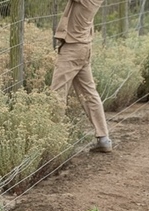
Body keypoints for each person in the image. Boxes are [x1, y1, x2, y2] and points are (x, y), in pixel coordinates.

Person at [51, 0, 112, 152]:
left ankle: (52, 142)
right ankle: (103, 138)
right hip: (83, 47)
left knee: (56, 93)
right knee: (89, 93)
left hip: (73, 49)